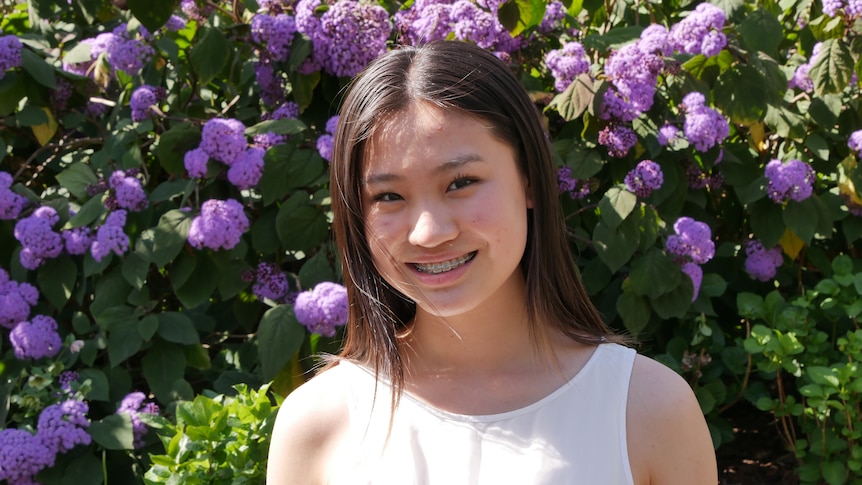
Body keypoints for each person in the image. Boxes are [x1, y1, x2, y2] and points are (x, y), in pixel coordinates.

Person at [267, 40, 717, 485]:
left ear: (529, 181)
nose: (429, 232)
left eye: (461, 182)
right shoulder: (317, 424)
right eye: (388, 196)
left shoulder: (649, 409)